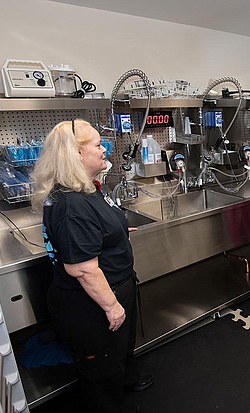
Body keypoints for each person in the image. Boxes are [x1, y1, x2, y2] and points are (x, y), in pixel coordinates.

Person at [31, 119, 153, 413]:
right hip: (91, 302)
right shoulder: (70, 204)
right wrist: (112, 306)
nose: (104, 149)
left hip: (117, 283)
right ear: (76, 154)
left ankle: (127, 380)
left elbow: (100, 225)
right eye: (97, 145)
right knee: (100, 366)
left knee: (121, 349)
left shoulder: (86, 188)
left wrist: (117, 233)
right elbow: (83, 269)